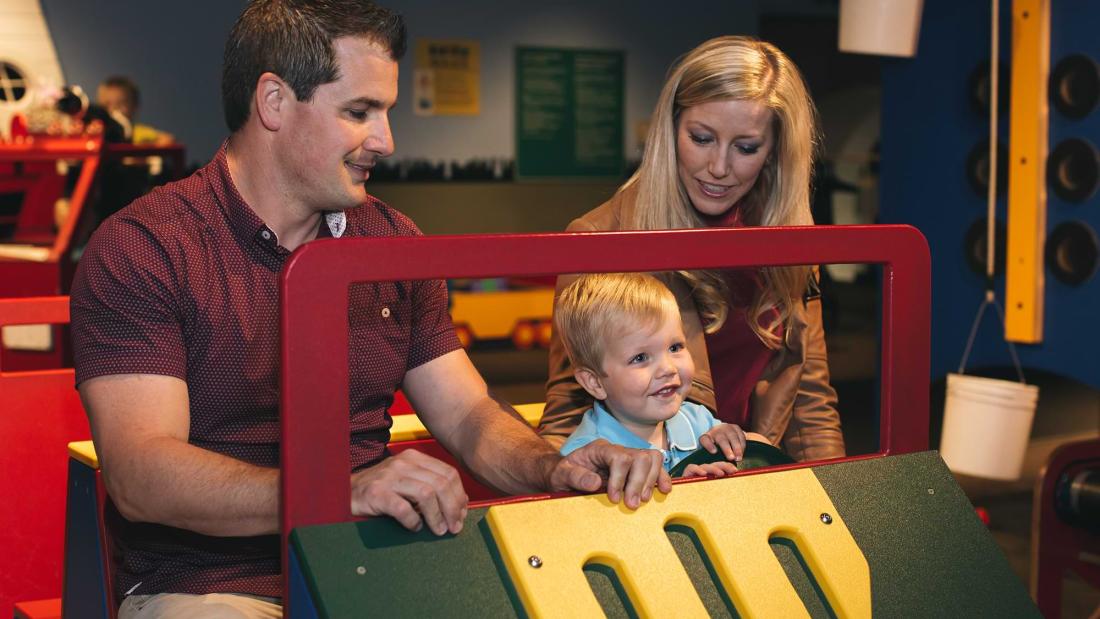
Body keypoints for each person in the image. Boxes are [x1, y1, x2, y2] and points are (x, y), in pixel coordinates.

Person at [70, 2, 669, 616]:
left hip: (370, 561)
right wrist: (337, 492)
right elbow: (140, 474)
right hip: (213, 583)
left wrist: (554, 467)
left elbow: (466, 417)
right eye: (359, 112)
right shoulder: (145, 247)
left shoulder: (393, 243)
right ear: (274, 102)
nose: (386, 141)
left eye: (385, 112)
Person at [541, 35, 846, 462]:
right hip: (650, 490)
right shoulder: (598, 239)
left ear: (775, 151)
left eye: (745, 148)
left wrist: (838, 499)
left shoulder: (789, 237)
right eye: (701, 138)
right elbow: (568, 412)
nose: (719, 168)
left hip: (756, 479)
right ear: (670, 129)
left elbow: (810, 401)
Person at [556, 273, 771, 477]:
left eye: (675, 347)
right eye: (640, 358)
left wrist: (733, 444)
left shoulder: (698, 421)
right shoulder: (584, 461)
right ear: (594, 382)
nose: (668, 368)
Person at [96, 75, 176, 145]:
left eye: (121, 104)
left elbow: (167, 140)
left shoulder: (141, 135)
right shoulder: (97, 136)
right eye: (106, 105)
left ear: (135, 106)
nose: (113, 110)